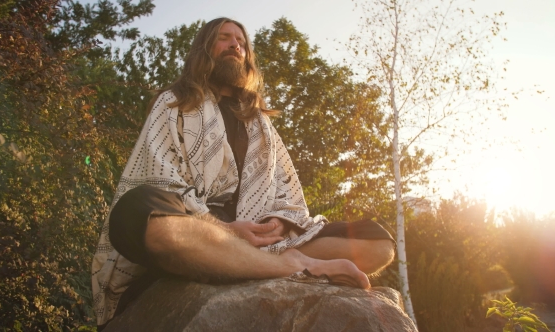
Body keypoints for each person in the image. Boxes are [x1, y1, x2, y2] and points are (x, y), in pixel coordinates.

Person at [92, 17, 395, 330]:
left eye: (241, 42)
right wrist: (225, 230)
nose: (235, 45)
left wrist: (278, 221)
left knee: (376, 243)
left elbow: (284, 192)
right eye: (224, 38)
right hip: (199, 231)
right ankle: (286, 266)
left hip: (260, 240)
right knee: (137, 212)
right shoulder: (175, 103)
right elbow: (160, 177)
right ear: (204, 49)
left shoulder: (260, 122)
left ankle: (256, 263)